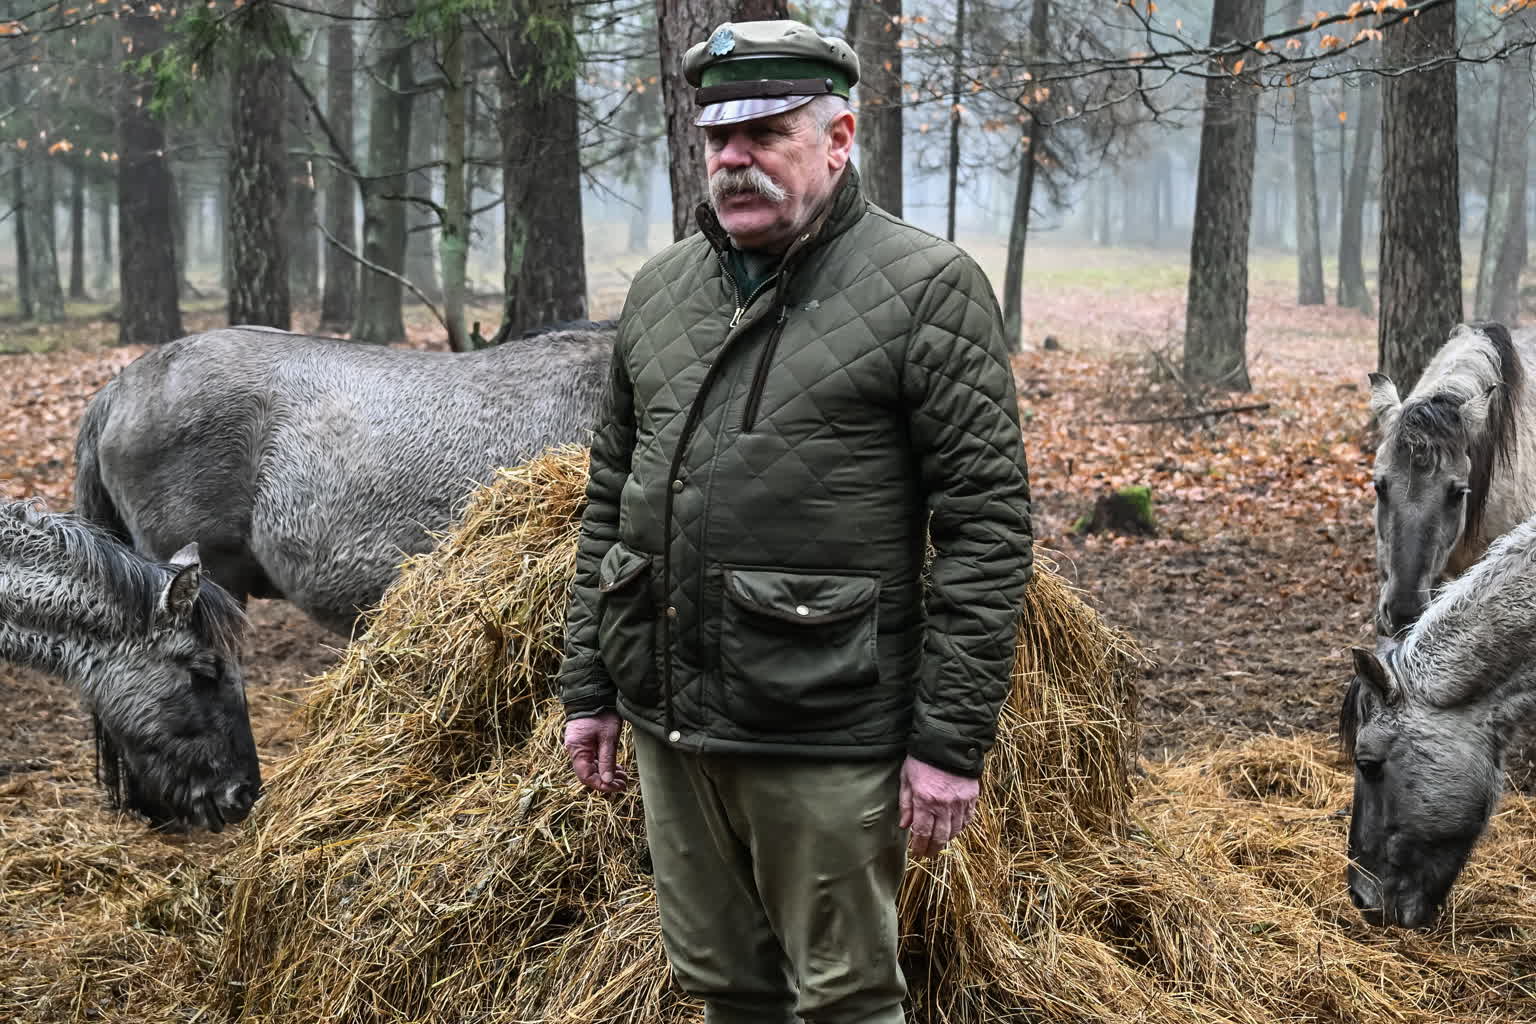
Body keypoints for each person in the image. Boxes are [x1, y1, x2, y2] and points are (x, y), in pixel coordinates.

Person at [558, 18, 1033, 1024]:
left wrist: (949, 744)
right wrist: (589, 686)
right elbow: (612, 499)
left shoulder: (927, 290)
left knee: (845, 999)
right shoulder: (660, 291)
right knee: (723, 985)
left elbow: (986, 532)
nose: (733, 158)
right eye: (717, 137)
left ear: (839, 136)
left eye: (767, 132)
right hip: (671, 721)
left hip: (825, 728)